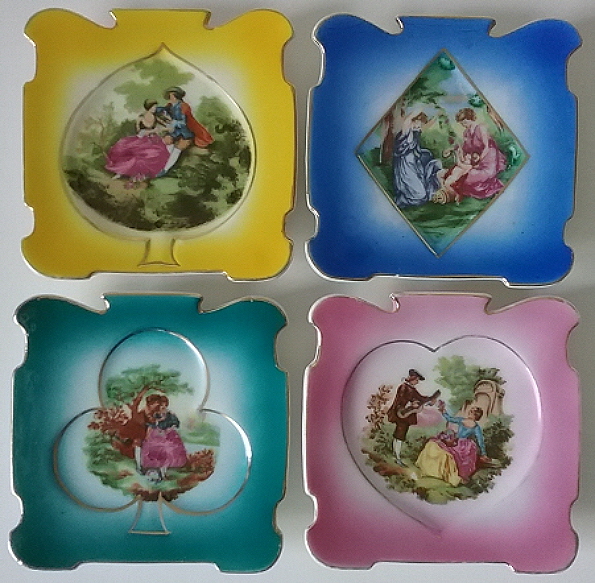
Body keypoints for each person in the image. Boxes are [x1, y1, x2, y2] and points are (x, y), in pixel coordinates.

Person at [416, 402, 489, 486]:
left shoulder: (476, 427)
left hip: (464, 446)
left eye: (472, 412)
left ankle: (447, 474)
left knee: (449, 455)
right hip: (455, 441)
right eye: (470, 410)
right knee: (433, 444)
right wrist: (443, 411)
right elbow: (450, 419)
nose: (469, 412)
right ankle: (431, 469)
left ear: (476, 415)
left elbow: (480, 440)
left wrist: (484, 454)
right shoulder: (462, 420)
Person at [441, 107, 507, 200]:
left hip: (488, 158)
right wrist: (451, 149)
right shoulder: (466, 132)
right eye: (461, 123)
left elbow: (486, 147)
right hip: (475, 159)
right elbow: (465, 148)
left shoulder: (481, 128)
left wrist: (478, 161)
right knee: (463, 176)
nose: (463, 125)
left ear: (470, 118)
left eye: (464, 122)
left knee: (470, 178)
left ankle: (492, 185)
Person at [105, 99, 170, 185]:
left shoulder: (155, 117)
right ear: (148, 107)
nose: (155, 108)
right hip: (141, 139)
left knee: (156, 153)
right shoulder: (141, 118)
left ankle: (141, 175)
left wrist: (168, 128)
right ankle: (120, 172)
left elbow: (164, 126)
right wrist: (152, 131)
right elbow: (139, 132)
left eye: (155, 107)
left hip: (152, 140)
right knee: (128, 151)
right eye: (153, 107)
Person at [386, 369, 440, 466]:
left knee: (399, 434)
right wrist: (411, 404)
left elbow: (420, 398)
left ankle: (396, 454)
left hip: (406, 415)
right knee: (400, 435)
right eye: (417, 380)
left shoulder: (412, 389)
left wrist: (430, 400)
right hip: (402, 413)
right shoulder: (404, 387)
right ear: (412, 379)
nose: (417, 382)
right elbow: (400, 400)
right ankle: (397, 457)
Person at [156, 86, 214, 176]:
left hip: (185, 132)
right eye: (170, 96)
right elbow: (161, 109)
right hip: (175, 131)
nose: (170, 98)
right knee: (167, 143)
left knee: (177, 149)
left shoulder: (184, 106)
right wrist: (153, 109)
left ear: (176, 96)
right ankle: (159, 166)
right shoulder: (170, 106)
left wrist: (172, 122)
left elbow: (183, 123)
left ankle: (165, 170)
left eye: (171, 96)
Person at [392, 109, 442, 207]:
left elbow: (426, 126)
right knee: (420, 195)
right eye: (418, 124)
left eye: (420, 126)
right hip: (405, 166)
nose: (419, 127)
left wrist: (436, 116)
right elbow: (408, 120)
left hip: (414, 163)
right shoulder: (406, 131)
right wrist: (420, 107)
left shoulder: (415, 131)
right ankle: (402, 199)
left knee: (423, 193)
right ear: (414, 121)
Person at [141, 394, 187, 481]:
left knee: (169, 449)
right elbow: (151, 426)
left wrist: (169, 429)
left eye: (164, 405)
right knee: (152, 448)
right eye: (161, 405)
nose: (163, 406)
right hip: (156, 435)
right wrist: (149, 434)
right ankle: (152, 470)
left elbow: (176, 424)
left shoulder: (170, 414)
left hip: (169, 435)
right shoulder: (156, 414)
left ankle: (164, 471)